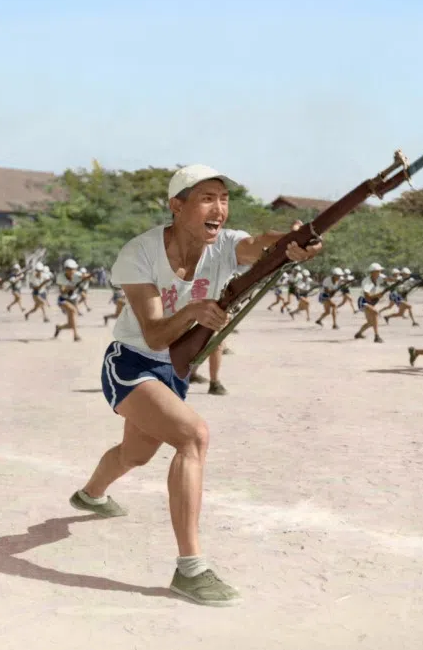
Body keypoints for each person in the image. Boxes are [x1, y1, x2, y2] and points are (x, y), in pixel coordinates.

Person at [69, 164, 322, 606]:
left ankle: (90, 494)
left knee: (136, 454)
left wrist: (290, 244)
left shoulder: (224, 244)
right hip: (131, 363)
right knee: (194, 437)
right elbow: (154, 335)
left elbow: (259, 245)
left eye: (224, 199)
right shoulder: (139, 253)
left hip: (172, 371)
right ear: (177, 206)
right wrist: (193, 311)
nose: (219, 209)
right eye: (207, 198)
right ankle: (190, 569)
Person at [54, 259, 91, 341]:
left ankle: (59, 327)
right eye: (70, 269)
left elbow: (87, 277)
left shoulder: (77, 275)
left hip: (73, 300)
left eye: (73, 269)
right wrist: (70, 287)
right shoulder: (60, 277)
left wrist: (87, 277)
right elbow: (62, 290)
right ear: (65, 269)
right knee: (74, 310)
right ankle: (76, 336)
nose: (72, 271)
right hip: (63, 300)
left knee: (71, 324)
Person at [353, 263, 387, 343]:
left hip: (370, 301)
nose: (379, 273)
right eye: (378, 271)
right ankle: (376, 336)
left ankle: (358, 334)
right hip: (363, 301)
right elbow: (367, 297)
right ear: (372, 272)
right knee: (375, 313)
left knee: (371, 323)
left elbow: (388, 279)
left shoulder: (378, 278)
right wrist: (378, 295)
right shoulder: (367, 282)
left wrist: (398, 280)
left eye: (379, 271)